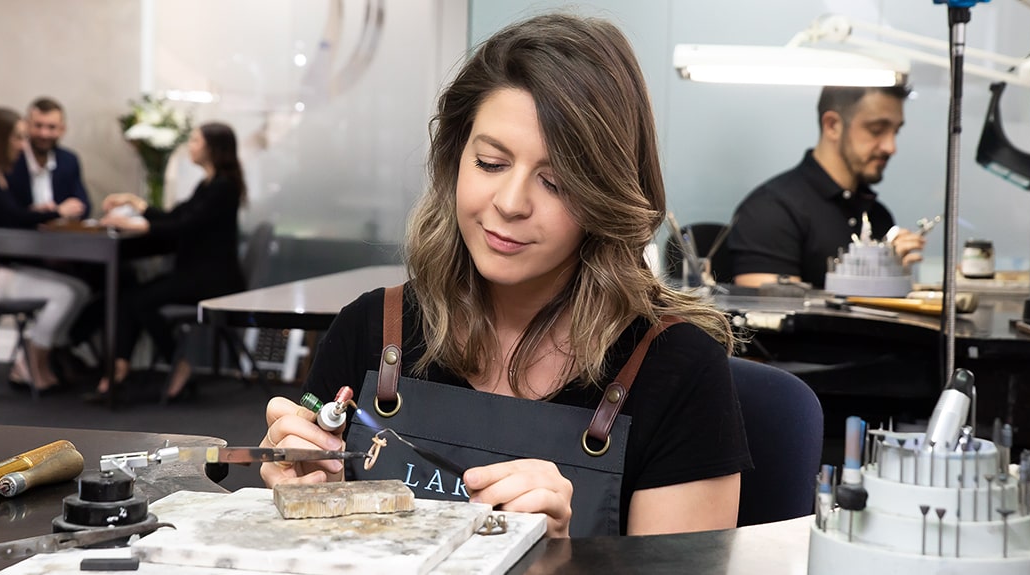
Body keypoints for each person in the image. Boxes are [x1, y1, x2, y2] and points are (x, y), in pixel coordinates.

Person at [258, 13, 751, 539]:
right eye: (491, 163)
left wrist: (559, 556)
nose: (511, 204)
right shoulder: (370, 331)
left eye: (556, 183)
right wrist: (299, 491)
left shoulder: (678, 372)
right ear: (455, 161)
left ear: (606, 198)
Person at [91, 122, 246, 402]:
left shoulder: (223, 188)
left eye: (196, 140)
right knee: (131, 296)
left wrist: (136, 225)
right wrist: (137, 206)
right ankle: (121, 366)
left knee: (137, 299)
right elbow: (177, 216)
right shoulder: (209, 184)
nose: (191, 145)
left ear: (213, 148)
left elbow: (185, 224)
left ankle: (177, 364)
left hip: (212, 279)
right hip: (198, 274)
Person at [727, 85, 928, 288]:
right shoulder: (770, 211)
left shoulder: (878, 216)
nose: (890, 147)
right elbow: (769, 313)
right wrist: (875, 272)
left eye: (896, 131)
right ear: (832, 125)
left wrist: (891, 273)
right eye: (876, 130)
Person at [0, 107, 91, 391]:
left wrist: (35, 212)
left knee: (79, 290)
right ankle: (30, 362)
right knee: (64, 294)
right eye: (17, 137)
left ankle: (35, 358)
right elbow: (10, 218)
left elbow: (9, 214)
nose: (22, 144)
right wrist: (56, 212)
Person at [7, 97, 90, 218]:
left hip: (59, 234)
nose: (44, 134)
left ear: (62, 129)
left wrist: (72, 208)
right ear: (26, 126)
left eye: (51, 127)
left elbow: (84, 206)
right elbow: (4, 211)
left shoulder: (69, 160)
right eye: (38, 126)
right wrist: (36, 212)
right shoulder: (12, 159)